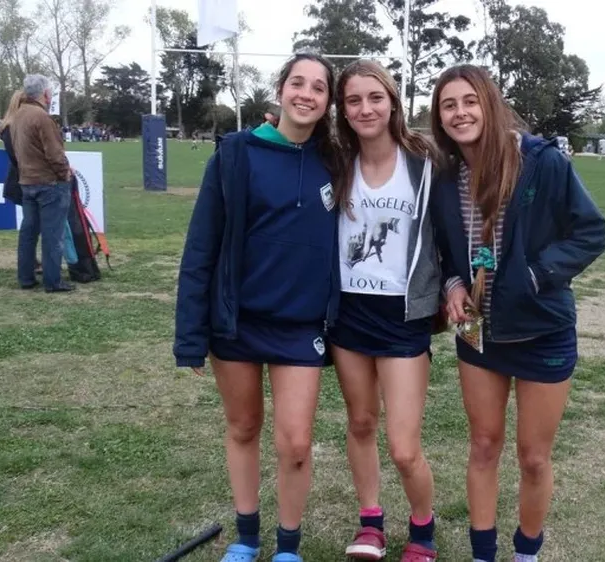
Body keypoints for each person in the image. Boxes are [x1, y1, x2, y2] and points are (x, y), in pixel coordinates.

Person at [428, 65, 605, 562]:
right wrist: (452, 284)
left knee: (533, 457)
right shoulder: (445, 177)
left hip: (542, 330)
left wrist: (533, 276)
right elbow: (444, 247)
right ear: (439, 118)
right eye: (449, 105)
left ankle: (526, 552)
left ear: (489, 103)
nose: (460, 112)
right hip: (477, 333)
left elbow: (590, 232)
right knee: (483, 446)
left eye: (470, 101)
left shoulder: (540, 162)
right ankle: (482, 553)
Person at [173, 53, 342, 562]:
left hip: (300, 327)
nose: (306, 94)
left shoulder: (337, 161)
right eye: (298, 83)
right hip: (237, 322)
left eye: (318, 87)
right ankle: (247, 537)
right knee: (244, 427)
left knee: (295, 443)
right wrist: (190, 334)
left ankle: (288, 546)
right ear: (281, 88)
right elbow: (201, 247)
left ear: (328, 101)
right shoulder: (235, 154)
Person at [327, 60, 441, 562]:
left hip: (403, 316)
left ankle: (423, 530)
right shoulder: (334, 161)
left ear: (392, 101)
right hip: (349, 314)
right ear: (343, 110)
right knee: (360, 424)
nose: (365, 108)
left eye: (375, 97)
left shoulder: (425, 161)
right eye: (354, 100)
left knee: (403, 446)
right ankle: (370, 523)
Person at [10, 74, 73, 293]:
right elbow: (55, 153)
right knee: (52, 233)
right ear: (45, 94)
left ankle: (26, 277)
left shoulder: (17, 116)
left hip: (27, 181)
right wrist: (65, 173)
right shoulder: (42, 117)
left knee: (28, 232)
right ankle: (53, 280)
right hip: (49, 183)